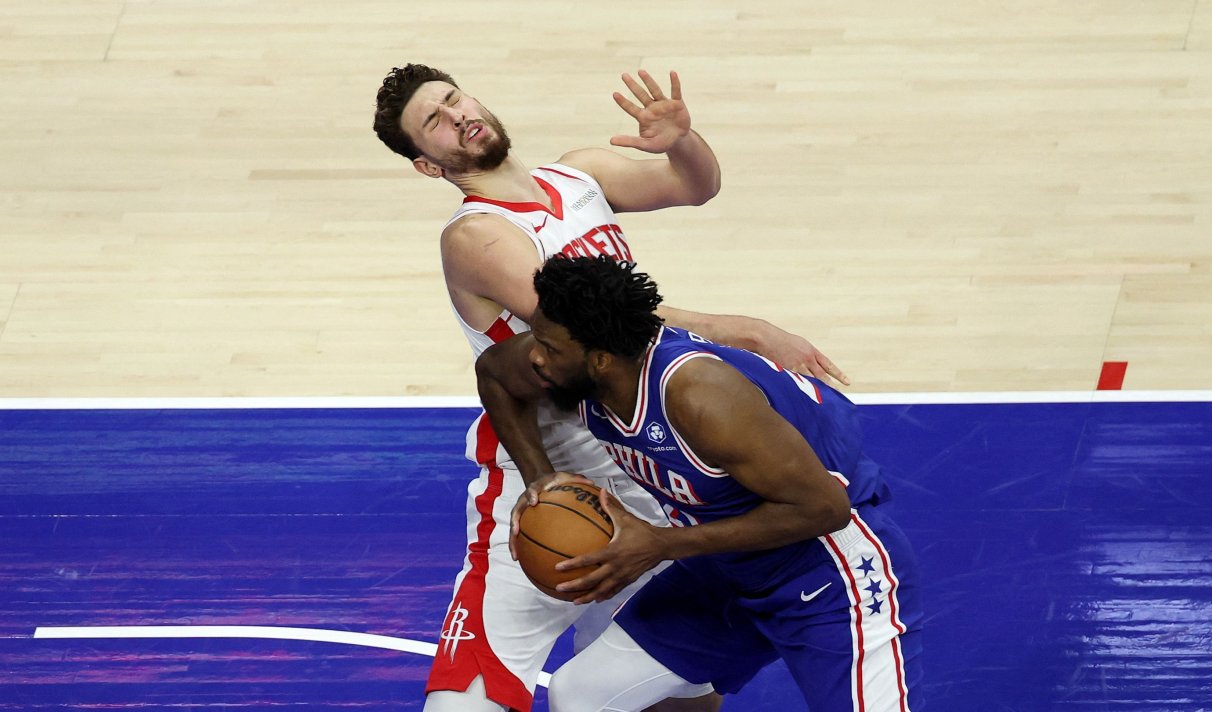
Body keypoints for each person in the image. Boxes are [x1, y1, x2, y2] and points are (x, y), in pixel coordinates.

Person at [371, 64, 846, 712]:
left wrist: (681, 139)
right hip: (543, 465)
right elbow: (593, 320)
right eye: (435, 122)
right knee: (468, 702)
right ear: (429, 165)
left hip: (644, 455)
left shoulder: (576, 176)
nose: (457, 117)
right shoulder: (475, 234)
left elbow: (694, 185)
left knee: (665, 689)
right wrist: (742, 331)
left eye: (455, 100)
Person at [476, 256, 923, 712]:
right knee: (579, 693)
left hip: (828, 572)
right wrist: (541, 480)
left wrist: (662, 544)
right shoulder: (583, 367)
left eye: (550, 348)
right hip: (727, 567)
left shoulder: (699, 395)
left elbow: (824, 509)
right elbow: (495, 371)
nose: (535, 355)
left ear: (601, 359)